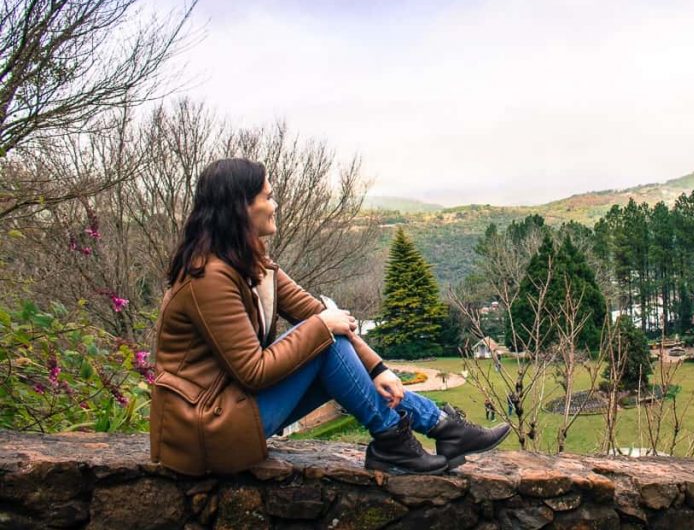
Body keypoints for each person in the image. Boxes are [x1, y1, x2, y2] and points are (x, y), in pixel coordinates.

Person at [149, 158, 509, 476]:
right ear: (241, 207)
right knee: (323, 338)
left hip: (235, 409)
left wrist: (379, 368)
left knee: (327, 337)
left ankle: (437, 430)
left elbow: (323, 318)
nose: (275, 204)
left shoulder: (253, 266)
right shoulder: (208, 278)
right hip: (207, 428)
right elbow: (254, 371)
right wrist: (323, 326)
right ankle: (402, 440)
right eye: (267, 196)